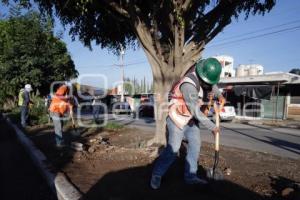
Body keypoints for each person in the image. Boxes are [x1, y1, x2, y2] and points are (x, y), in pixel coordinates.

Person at [150, 57, 226, 189]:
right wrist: (212, 127)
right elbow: (195, 111)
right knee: (173, 150)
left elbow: (212, 85)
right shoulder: (188, 85)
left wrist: (220, 96)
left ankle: (190, 177)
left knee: (195, 146)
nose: (210, 84)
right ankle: (156, 174)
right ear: (202, 76)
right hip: (177, 119)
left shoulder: (204, 77)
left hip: (190, 120)